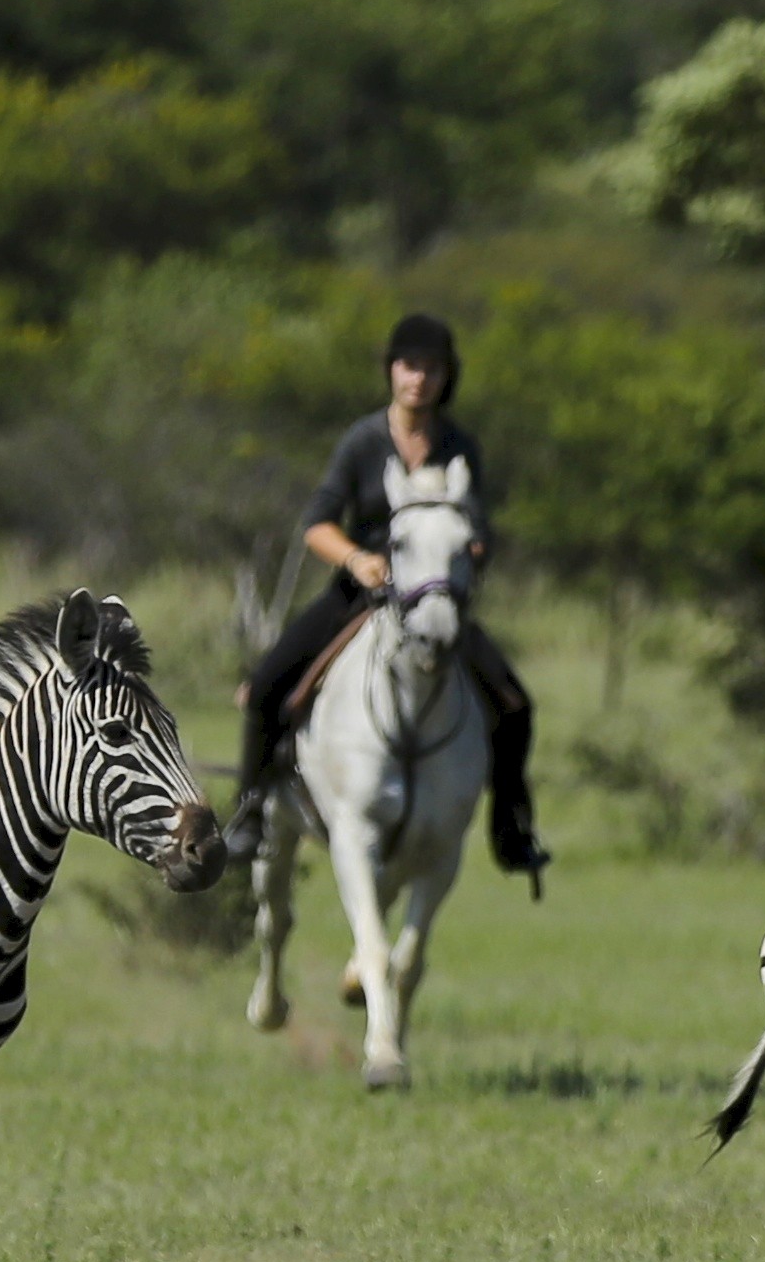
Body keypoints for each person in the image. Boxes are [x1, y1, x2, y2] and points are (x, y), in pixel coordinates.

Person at [234, 313, 548, 887]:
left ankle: (511, 827)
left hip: (434, 600)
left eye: (432, 368)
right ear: (391, 371)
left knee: (515, 705)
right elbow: (317, 525)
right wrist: (357, 559)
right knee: (266, 686)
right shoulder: (363, 441)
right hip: (360, 595)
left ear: (447, 377)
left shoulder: (459, 446)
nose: (419, 378)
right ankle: (249, 811)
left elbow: (480, 530)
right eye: (409, 365)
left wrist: (467, 553)